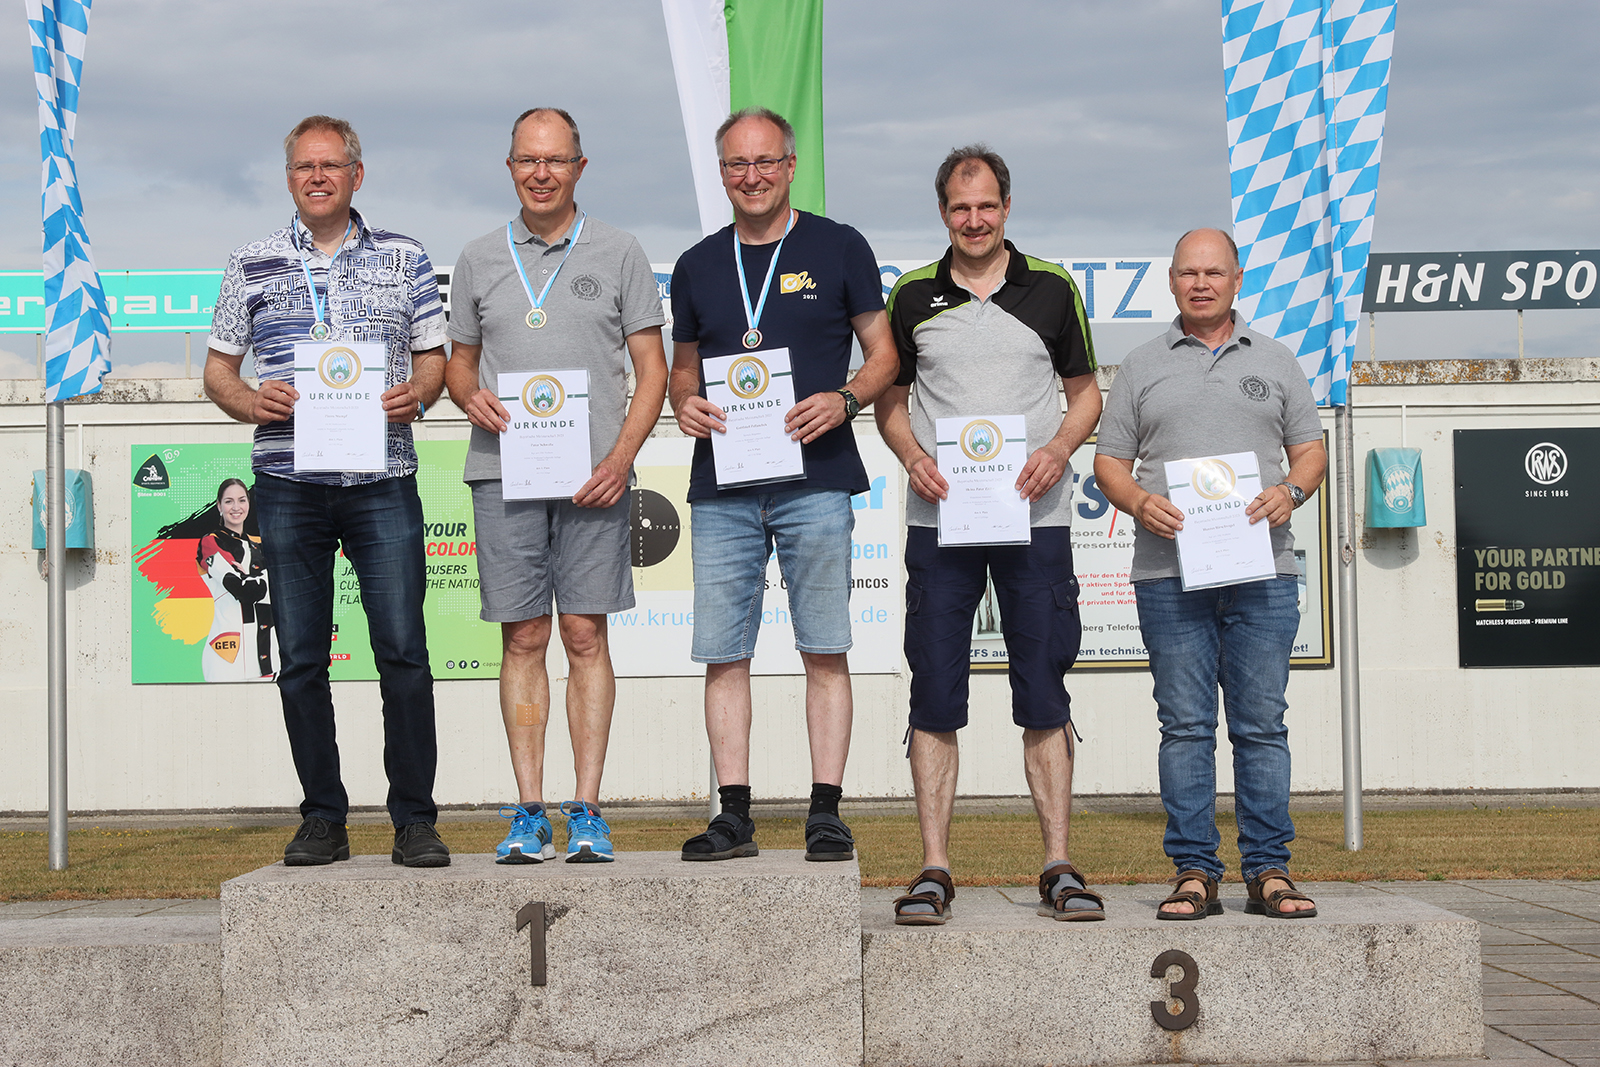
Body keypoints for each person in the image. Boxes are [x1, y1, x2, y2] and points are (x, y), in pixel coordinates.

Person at [203, 115, 450, 869]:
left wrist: (418, 394)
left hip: (382, 480)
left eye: (331, 165)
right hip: (288, 485)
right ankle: (322, 817)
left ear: (356, 175)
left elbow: (435, 360)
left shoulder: (406, 256)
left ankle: (415, 820)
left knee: (403, 651)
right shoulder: (251, 262)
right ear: (289, 179)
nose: (317, 177)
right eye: (304, 167)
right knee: (303, 658)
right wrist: (251, 401)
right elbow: (218, 371)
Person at [877, 146, 1104, 925]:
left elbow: (1086, 394)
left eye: (986, 206)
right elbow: (890, 400)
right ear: (943, 212)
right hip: (941, 521)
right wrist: (912, 456)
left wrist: (1058, 450)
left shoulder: (1052, 289)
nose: (973, 220)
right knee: (935, 694)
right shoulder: (911, 295)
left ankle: (1058, 864)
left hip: (1034, 519)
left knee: (1043, 690)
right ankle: (934, 867)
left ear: (1007, 207)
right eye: (959, 208)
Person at [667, 107, 899, 862]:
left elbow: (885, 355)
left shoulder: (839, 246)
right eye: (738, 164)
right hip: (725, 483)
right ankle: (733, 814)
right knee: (723, 653)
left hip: (816, 477)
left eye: (766, 161)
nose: (753, 176)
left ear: (791, 166)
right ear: (722, 173)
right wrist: (683, 402)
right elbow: (681, 370)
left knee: (824, 647)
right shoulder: (698, 263)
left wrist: (846, 400)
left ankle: (825, 810)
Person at [445, 108, 668, 864]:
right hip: (503, 473)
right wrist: (468, 396)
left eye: (556, 160)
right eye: (527, 160)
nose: (541, 173)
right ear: (510, 167)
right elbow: (459, 365)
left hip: (594, 480)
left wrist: (621, 458)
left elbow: (652, 370)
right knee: (523, 636)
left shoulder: (621, 250)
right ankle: (529, 811)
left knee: (584, 634)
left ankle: (589, 809)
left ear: (579, 166)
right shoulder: (478, 257)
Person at [1092, 227, 1326, 919]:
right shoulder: (1140, 366)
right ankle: (1194, 871)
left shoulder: (1277, 360)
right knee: (1186, 727)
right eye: (1189, 273)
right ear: (1172, 281)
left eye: (1214, 272)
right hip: (1168, 575)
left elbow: (1310, 451)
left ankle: (1269, 869)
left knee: (1262, 726)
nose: (1201, 283)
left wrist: (1292, 491)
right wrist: (1139, 501)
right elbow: (1108, 462)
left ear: (1237, 279)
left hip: (1263, 572)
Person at [198, 478, 278, 682]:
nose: (236, 507)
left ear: (249, 504)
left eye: (242, 500)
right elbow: (246, 590)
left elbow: (284, 582)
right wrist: (263, 577)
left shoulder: (260, 544)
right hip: (228, 653)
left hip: (269, 653)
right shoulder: (211, 541)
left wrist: (252, 577)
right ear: (219, 506)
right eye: (228, 501)